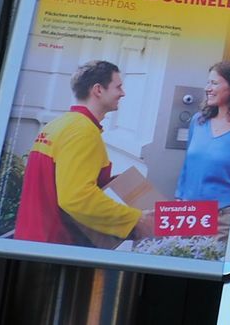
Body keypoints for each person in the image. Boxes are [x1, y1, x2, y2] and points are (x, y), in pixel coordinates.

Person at [12, 60, 156, 244]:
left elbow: (56, 181)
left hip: (33, 236)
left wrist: (111, 184)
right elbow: (76, 198)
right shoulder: (83, 131)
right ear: (98, 90)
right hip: (55, 244)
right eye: (118, 87)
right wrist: (135, 219)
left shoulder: (59, 124)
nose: (123, 93)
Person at [176, 60, 230, 206]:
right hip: (189, 210)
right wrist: (179, 197)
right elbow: (187, 165)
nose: (207, 88)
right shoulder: (198, 121)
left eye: (214, 83)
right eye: (208, 83)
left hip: (224, 213)